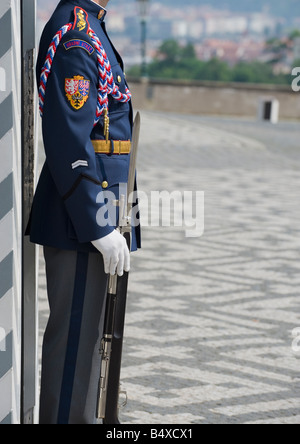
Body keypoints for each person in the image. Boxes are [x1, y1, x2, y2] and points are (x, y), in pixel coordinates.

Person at [27, 0, 141, 424]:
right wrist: (97, 223)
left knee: (93, 340)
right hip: (81, 219)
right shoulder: (76, 34)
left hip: (98, 211)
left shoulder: (91, 24)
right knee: (75, 345)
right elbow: (70, 140)